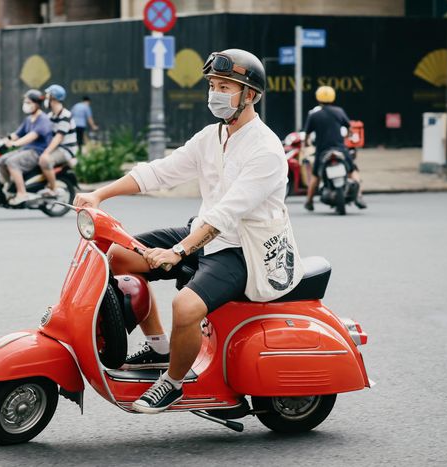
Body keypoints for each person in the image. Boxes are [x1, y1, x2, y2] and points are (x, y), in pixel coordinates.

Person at [74, 49, 288, 414]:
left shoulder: (266, 150)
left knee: (185, 306)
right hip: (202, 234)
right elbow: (160, 172)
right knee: (119, 257)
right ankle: (160, 347)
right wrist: (99, 194)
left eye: (225, 87)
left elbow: (226, 214)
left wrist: (178, 251)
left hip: (243, 250)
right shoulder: (211, 137)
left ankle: (173, 383)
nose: (215, 93)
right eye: (212, 85)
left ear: (250, 95)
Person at [303, 86, 367, 211]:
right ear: (333, 98)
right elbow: (349, 128)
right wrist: (347, 136)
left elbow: (307, 135)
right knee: (352, 171)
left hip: (322, 151)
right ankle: (359, 196)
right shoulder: (339, 111)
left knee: (315, 175)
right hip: (340, 149)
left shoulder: (314, 115)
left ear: (318, 98)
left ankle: (309, 201)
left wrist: (306, 144)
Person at [0, 89, 53, 206]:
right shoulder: (29, 119)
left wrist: (15, 144)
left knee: (12, 162)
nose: (25, 105)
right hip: (26, 150)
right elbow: (17, 134)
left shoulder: (43, 119)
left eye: (28, 102)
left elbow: (31, 136)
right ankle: (11, 186)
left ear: (37, 104)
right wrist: (4, 140)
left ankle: (22, 193)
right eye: (25, 102)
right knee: (1, 160)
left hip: (37, 152)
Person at [39, 84, 78, 196]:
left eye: (48, 96)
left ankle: (54, 188)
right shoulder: (51, 115)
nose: (46, 98)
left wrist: (46, 152)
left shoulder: (65, 115)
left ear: (54, 98)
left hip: (66, 149)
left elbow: (58, 137)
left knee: (44, 160)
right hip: (57, 148)